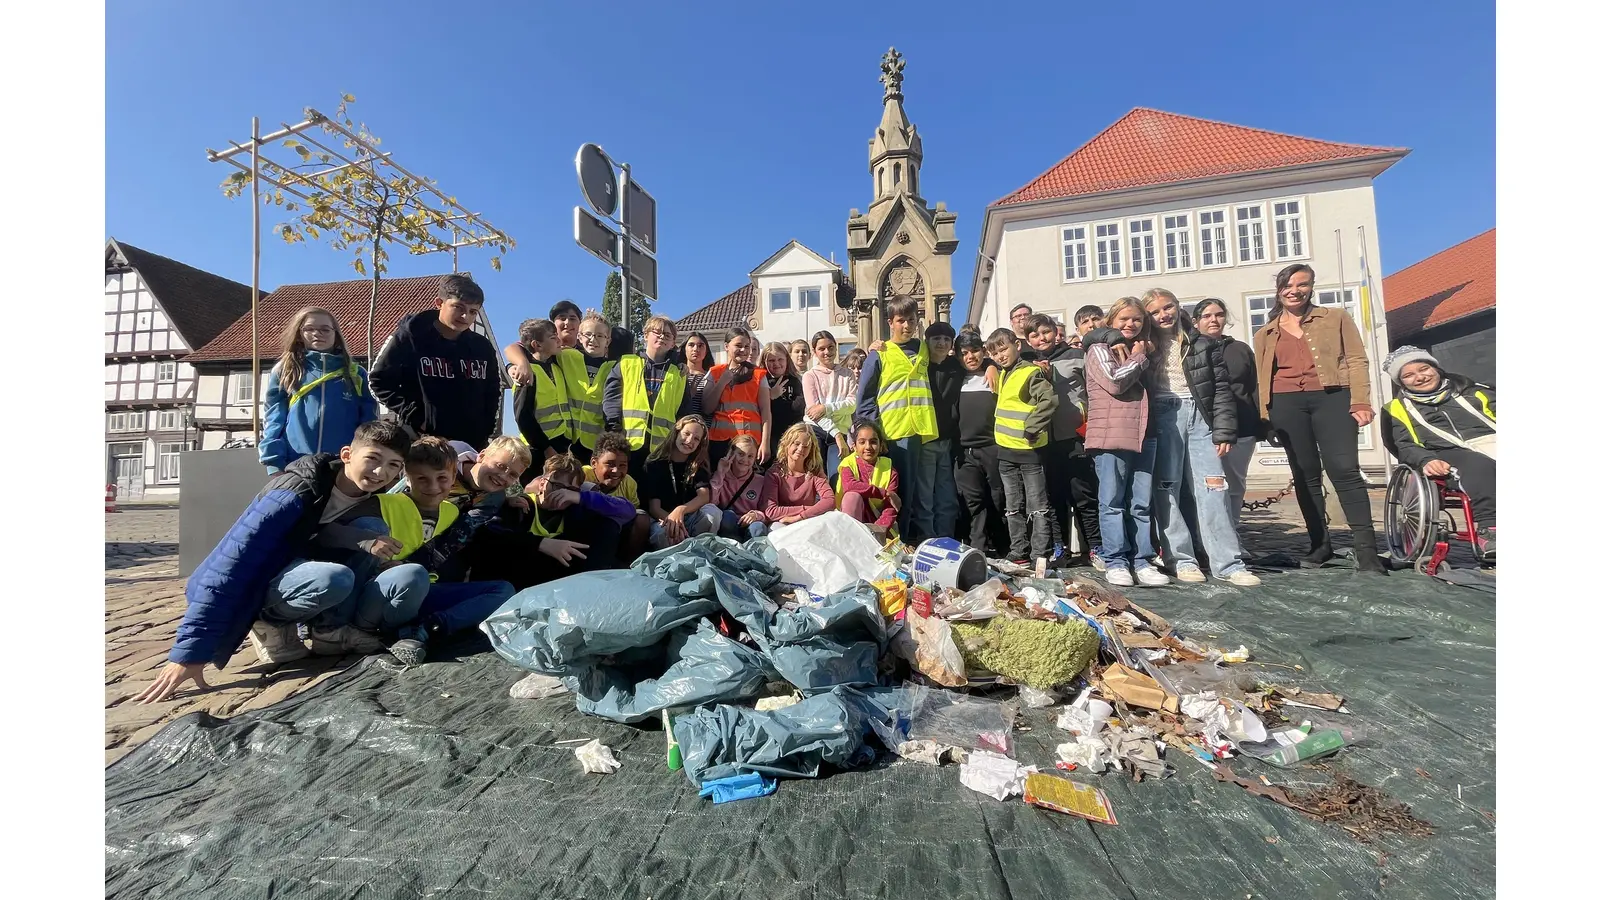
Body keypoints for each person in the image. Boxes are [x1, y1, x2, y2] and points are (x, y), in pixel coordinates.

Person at [138, 420, 417, 703]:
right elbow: (231, 563)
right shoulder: (293, 492)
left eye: (394, 465)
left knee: (373, 529)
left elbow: (320, 534)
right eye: (372, 458)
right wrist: (190, 653)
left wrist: (368, 544)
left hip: (298, 565)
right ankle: (269, 621)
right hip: (260, 577)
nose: (381, 472)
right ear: (347, 455)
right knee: (335, 578)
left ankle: (329, 631)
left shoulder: (373, 498)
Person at [331, 436, 517, 666]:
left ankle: (427, 627)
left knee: (503, 590)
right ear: (407, 478)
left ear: (452, 479)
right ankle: (369, 630)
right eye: (422, 479)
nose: (434, 487)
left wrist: (510, 500)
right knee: (412, 573)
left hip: (420, 590)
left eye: (442, 479)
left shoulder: (450, 512)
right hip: (379, 593)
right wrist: (368, 544)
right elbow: (328, 532)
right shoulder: (382, 504)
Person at [1253, 264, 1384, 574]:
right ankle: (1320, 544)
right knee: (1305, 473)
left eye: (1302, 284)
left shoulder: (1336, 318)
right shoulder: (1265, 332)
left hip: (1333, 398)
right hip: (1286, 404)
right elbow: (1261, 377)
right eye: (1288, 285)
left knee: (1344, 469)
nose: (1295, 290)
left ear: (1311, 287)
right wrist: (1265, 418)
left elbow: (1356, 359)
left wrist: (1361, 400)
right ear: (1279, 290)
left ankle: (1367, 551)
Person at [1141, 290, 1259, 586]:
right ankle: (1181, 559)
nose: (1163, 315)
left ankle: (1229, 563)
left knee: (1213, 488)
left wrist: (1223, 430)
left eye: (1167, 307)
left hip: (1200, 417)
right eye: (1155, 312)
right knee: (1168, 488)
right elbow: (1101, 334)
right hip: (1164, 414)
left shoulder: (1202, 343)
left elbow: (1221, 389)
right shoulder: (1143, 344)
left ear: (1178, 307)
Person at [1380, 347, 1496, 559]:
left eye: (1424, 369)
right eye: (1408, 375)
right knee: (1480, 465)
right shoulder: (1396, 408)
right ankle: (1491, 530)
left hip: (1492, 439)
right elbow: (1403, 445)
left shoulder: (1476, 391)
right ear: (1401, 382)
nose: (1420, 377)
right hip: (1445, 451)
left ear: (1435, 367)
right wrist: (1426, 460)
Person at [1083, 298, 1164, 587]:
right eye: (1124, 319)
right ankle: (1116, 560)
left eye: (1137, 320)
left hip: (1145, 433)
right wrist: (1139, 357)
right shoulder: (1099, 349)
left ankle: (1142, 560)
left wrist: (1143, 353)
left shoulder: (1145, 348)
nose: (1130, 324)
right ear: (1111, 320)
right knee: (1113, 501)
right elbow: (1115, 382)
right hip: (1112, 435)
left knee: (1141, 504)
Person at [369, 274, 502, 450]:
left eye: (472, 312)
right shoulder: (409, 337)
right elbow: (377, 381)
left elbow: (492, 391)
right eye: (458, 307)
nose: (465, 316)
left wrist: (486, 430)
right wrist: (418, 418)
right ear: (439, 303)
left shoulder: (482, 347)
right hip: (422, 440)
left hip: (471, 444)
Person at [466, 453, 632, 590]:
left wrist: (580, 497)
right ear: (543, 483)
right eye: (557, 486)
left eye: (571, 490)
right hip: (513, 583)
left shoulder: (573, 509)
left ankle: (592, 591)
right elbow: (486, 538)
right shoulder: (520, 505)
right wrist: (541, 544)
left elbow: (627, 511)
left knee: (607, 527)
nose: (562, 494)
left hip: (553, 586)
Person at [855, 295, 938, 541]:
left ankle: (909, 541)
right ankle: (895, 541)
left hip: (920, 431)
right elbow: (865, 399)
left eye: (912, 320)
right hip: (892, 433)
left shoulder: (924, 349)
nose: (907, 325)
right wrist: (877, 435)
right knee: (895, 493)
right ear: (890, 322)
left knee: (915, 493)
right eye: (901, 320)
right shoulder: (879, 353)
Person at [260, 307, 377, 475]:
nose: (317, 333)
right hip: (294, 465)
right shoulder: (286, 370)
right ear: (299, 334)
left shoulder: (356, 373)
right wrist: (273, 464)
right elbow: (273, 419)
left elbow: (368, 423)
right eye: (309, 328)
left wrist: (365, 460)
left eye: (325, 329)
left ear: (335, 334)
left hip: (344, 466)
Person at [1023, 313, 1099, 567]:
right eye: (1034, 335)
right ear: (1028, 340)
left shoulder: (1076, 356)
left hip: (1075, 436)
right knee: (1054, 498)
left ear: (1055, 332)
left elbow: (1093, 390)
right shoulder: (1026, 362)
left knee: (1084, 495)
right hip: (1044, 440)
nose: (1041, 338)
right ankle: (1060, 547)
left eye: (1045, 332)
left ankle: (1094, 546)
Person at [986, 328, 1060, 566]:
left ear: (1017, 345)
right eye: (995, 353)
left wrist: (1032, 428)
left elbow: (1048, 400)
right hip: (1006, 451)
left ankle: (1039, 553)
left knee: (1037, 506)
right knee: (1012, 506)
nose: (1000, 356)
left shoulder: (1030, 372)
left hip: (1030, 451)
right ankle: (1019, 550)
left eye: (1003, 349)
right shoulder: (1003, 373)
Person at [1192, 299, 1266, 533]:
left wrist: (1263, 425)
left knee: (1234, 485)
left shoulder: (1240, 349)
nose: (1214, 320)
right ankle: (1206, 537)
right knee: (1207, 486)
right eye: (1207, 316)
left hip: (1241, 427)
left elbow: (1254, 388)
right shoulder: (1190, 350)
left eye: (1219, 314)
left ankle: (1233, 534)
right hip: (1204, 428)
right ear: (1196, 322)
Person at [604, 314, 694, 476]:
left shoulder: (678, 373)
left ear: (673, 343)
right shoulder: (626, 363)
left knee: (654, 496)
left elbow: (684, 412)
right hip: (628, 445)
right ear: (645, 335)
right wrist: (615, 431)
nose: (661, 337)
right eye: (657, 332)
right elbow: (612, 399)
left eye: (667, 335)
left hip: (661, 449)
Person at [953, 329, 1007, 555]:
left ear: (983, 351)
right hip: (964, 452)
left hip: (993, 448)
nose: (970, 357)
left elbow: (1023, 358)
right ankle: (978, 551)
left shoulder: (995, 374)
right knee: (973, 503)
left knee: (998, 499)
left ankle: (1005, 547)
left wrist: (993, 365)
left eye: (975, 351)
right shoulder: (954, 378)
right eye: (964, 353)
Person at [542, 312, 617, 465]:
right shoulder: (566, 356)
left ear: (608, 341)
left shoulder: (616, 368)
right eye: (588, 334)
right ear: (579, 337)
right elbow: (531, 347)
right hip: (565, 440)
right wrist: (514, 365)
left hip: (596, 445)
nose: (593, 339)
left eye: (600, 336)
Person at [642, 414, 720, 549]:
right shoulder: (654, 464)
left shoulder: (697, 464)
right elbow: (654, 508)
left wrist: (681, 510)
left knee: (713, 512)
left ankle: (701, 552)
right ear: (677, 432)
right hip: (664, 520)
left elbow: (704, 496)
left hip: (689, 518)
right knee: (661, 533)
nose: (690, 441)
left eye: (696, 439)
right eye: (686, 433)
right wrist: (674, 523)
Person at [702, 327, 772, 471]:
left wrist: (765, 443)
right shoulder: (714, 372)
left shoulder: (759, 375)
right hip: (720, 442)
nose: (744, 350)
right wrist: (722, 382)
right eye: (738, 346)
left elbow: (766, 411)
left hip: (749, 443)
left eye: (747, 346)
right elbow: (707, 408)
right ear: (726, 346)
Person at [508, 318, 574, 464]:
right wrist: (546, 448)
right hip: (538, 449)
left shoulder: (556, 367)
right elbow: (523, 417)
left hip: (562, 443)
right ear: (537, 345)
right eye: (552, 337)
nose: (558, 340)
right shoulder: (527, 373)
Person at [583, 430, 653, 562]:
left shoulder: (629, 483)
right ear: (594, 463)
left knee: (642, 519)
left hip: (617, 532)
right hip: (586, 532)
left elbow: (633, 512)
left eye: (622, 466)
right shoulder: (582, 475)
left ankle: (630, 563)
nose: (616, 471)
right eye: (609, 464)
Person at [923, 321, 963, 540]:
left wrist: (992, 365)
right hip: (926, 439)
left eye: (946, 339)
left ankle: (946, 538)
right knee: (926, 494)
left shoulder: (955, 366)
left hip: (948, 440)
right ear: (927, 341)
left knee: (947, 496)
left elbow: (979, 360)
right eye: (936, 338)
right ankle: (927, 539)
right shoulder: (920, 365)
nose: (941, 343)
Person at [801, 330, 858, 478]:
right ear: (814, 352)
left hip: (840, 431)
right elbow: (814, 413)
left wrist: (826, 408)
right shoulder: (809, 376)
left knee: (836, 476)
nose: (827, 352)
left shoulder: (847, 374)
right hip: (817, 431)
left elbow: (852, 404)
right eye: (821, 349)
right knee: (816, 477)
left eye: (831, 347)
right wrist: (837, 434)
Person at [762, 424, 836, 530]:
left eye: (806, 446)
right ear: (786, 444)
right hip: (782, 523)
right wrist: (810, 509)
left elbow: (830, 501)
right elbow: (770, 511)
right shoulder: (774, 473)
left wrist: (800, 517)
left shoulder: (815, 471)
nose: (801, 449)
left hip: (808, 520)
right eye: (796, 444)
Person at [836, 419, 900, 533]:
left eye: (873, 442)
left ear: (881, 446)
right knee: (852, 496)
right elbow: (850, 486)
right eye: (862, 442)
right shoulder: (848, 464)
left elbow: (891, 506)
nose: (868, 447)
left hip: (878, 527)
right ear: (854, 446)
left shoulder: (890, 470)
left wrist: (879, 529)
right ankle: (851, 539)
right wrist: (884, 493)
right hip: (847, 525)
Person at [711, 434, 767, 540]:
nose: (745, 460)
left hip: (748, 523)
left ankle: (754, 555)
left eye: (750, 456)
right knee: (728, 516)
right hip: (728, 524)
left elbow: (767, 510)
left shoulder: (761, 481)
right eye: (741, 454)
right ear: (731, 454)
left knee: (758, 527)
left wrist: (756, 515)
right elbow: (712, 503)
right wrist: (720, 473)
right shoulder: (720, 476)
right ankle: (733, 550)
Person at [762, 341, 807, 465]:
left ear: (787, 360)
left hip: (792, 435)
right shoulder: (762, 381)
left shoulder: (795, 381)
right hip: (770, 436)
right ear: (764, 362)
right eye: (771, 360)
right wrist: (771, 397)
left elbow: (798, 409)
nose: (776, 364)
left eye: (780, 359)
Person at [681, 332, 714, 419]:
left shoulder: (712, 377)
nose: (696, 349)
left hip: (704, 427)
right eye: (691, 345)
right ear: (684, 349)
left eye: (700, 346)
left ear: (706, 351)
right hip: (680, 426)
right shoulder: (677, 375)